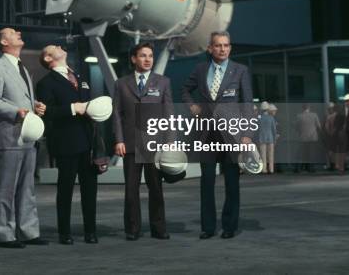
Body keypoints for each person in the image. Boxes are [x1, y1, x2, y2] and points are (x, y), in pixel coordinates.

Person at [181, 31, 254, 240]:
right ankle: (208, 227)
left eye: (226, 45)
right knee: (207, 182)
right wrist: (192, 105)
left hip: (232, 135)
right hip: (206, 135)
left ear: (230, 48)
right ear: (210, 48)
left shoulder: (240, 71)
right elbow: (185, 90)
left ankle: (229, 226)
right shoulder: (200, 69)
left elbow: (247, 104)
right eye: (218, 45)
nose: (222, 49)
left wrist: (247, 134)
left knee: (232, 183)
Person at [0, 28, 49, 248]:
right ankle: (6, 234)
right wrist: (17, 111)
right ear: (4, 42)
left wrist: (34, 106)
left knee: (27, 187)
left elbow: (19, 98)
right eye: (13, 32)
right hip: (11, 135)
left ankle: (29, 231)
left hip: (28, 136)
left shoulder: (22, 67)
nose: (19, 32)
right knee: (8, 187)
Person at [35, 45, 98, 245]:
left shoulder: (79, 77)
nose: (60, 47)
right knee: (66, 189)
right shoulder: (45, 83)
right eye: (55, 47)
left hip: (87, 141)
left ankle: (91, 231)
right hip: (65, 141)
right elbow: (48, 113)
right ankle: (64, 232)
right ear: (48, 58)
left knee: (90, 189)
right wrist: (72, 108)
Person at [112, 42, 173, 241]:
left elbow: (168, 114)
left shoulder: (163, 82)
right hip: (129, 143)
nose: (148, 60)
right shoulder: (121, 84)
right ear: (133, 59)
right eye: (143, 56)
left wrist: (169, 142)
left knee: (156, 189)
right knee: (131, 190)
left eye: (150, 56)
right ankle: (132, 229)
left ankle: (159, 228)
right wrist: (119, 140)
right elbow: (117, 114)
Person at [295, 104, 322, 173]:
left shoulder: (299, 116)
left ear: (302, 108)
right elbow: (319, 126)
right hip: (312, 137)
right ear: (309, 108)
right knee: (311, 153)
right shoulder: (314, 115)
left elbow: (297, 127)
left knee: (302, 153)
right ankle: (311, 168)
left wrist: (300, 132)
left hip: (303, 137)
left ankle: (300, 168)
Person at [257, 101, 276, 174]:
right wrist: (274, 138)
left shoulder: (259, 118)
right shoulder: (271, 118)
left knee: (263, 155)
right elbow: (274, 129)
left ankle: (264, 169)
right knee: (271, 155)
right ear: (268, 109)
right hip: (270, 138)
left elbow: (257, 129)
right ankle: (271, 169)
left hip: (262, 138)